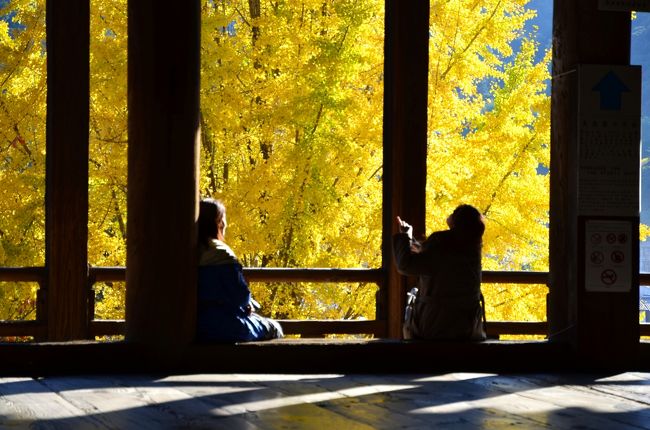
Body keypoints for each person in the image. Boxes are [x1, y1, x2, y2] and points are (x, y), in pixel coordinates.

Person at [393, 204, 486, 341]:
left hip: (435, 323)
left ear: (456, 220)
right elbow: (432, 259)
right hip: (469, 325)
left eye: (455, 212)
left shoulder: (440, 241)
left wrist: (405, 236)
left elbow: (406, 265)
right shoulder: (473, 246)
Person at [197, 198, 283, 342]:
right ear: (218, 223)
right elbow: (240, 295)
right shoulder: (221, 254)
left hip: (191, 325)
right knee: (273, 327)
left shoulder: (185, 252)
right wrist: (248, 304)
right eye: (223, 220)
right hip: (225, 327)